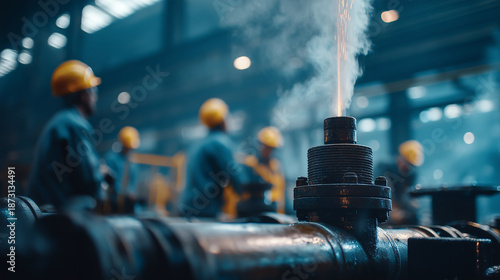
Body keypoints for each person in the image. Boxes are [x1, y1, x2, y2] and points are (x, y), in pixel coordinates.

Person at [27, 60, 107, 211]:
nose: (95, 97)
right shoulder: (75, 125)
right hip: (56, 216)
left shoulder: (59, 122)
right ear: (84, 95)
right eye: (94, 91)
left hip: (41, 212)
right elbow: (88, 181)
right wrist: (101, 173)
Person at [179, 98, 246, 218]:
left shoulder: (196, 144)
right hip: (206, 212)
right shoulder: (220, 143)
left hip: (188, 208)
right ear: (223, 121)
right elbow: (236, 178)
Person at [376, 140, 424, 225]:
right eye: (407, 163)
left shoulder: (411, 175)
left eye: (411, 165)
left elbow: (408, 197)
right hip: (383, 210)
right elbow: (378, 192)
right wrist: (392, 211)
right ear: (400, 158)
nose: (408, 168)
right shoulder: (384, 168)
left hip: (399, 211)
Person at [242, 127, 286, 213]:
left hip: (276, 214)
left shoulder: (276, 166)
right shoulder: (250, 164)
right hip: (255, 213)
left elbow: (281, 191)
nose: (269, 151)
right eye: (267, 147)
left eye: (271, 148)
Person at [104, 126, 140, 213]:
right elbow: (111, 181)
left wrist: (131, 192)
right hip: (113, 201)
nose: (129, 149)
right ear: (123, 144)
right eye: (127, 147)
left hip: (128, 202)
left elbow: (133, 182)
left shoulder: (133, 163)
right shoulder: (111, 159)